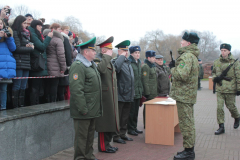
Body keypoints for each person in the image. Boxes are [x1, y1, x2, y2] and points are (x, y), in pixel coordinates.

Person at [69, 37, 102, 160]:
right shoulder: (78, 66)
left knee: (89, 136)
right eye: (93, 50)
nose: (95, 53)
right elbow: (77, 90)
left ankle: (89, 156)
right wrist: (83, 108)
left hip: (92, 109)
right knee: (81, 138)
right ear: (86, 52)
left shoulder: (91, 65)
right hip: (84, 109)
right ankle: (80, 158)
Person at [169, 32, 200, 160]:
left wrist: (172, 69)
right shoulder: (191, 55)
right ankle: (189, 149)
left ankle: (189, 152)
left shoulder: (186, 56)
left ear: (188, 43)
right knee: (189, 123)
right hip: (187, 96)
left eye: (182, 40)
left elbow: (181, 75)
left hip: (184, 96)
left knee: (186, 124)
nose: (181, 42)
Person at [94, 36, 119, 153]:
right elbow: (100, 70)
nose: (111, 51)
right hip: (104, 96)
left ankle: (108, 144)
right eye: (109, 49)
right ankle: (103, 146)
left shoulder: (108, 59)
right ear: (103, 50)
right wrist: (107, 57)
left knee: (110, 120)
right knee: (104, 122)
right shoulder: (98, 59)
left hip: (111, 94)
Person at [212, 43, 240, 135]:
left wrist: (239, 88)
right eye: (221, 51)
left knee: (231, 106)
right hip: (220, 89)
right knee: (219, 108)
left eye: (225, 51)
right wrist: (215, 78)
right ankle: (221, 127)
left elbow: (238, 76)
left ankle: (237, 117)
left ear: (229, 51)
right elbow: (214, 73)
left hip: (230, 89)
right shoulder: (217, 62)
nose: (223, 52)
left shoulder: (234, 62)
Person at [112, 40, 135, 144]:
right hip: (120, 94)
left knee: (125, 117)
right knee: (119, 117)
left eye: (127, 50)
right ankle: (116, 136)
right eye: (123, 50)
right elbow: (115, 68)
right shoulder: (116, 60)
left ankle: (122, 134)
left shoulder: (128, 62)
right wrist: (121, 56)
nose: (126, 52)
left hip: (128, 94)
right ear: (119, 51)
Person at [28, 20, 53, 105]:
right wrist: (48, 38)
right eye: (39, 26)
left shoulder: (37, 34)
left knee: (39, 87)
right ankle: (34, 104)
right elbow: (42, 47)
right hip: (36, 63)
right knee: (35, 87)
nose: (40, 28)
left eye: (41, 26)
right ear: (35, 26)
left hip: (39, 63)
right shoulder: (33, 34)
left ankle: (37, 103)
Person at [12, 15, 34, 108]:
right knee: (17, 85)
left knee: (23, 86)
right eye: (24, 23)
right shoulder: (16, 33)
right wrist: (29, 48)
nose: (26, 25)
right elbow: (16, 48)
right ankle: (15, 106)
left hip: (26, 62)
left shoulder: (27, 34)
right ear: (19, 23)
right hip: (19, 62)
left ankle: (21, 105)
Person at [43, 23, 66, 102]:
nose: (60, 31)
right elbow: (61, 55)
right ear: (55, 29)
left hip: (46, 64)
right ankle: (52, 103)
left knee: (47, 85)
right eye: (59, 29)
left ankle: (46, 102)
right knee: (54, 85)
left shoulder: (45, 38)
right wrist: (63, 67)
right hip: (56, 65)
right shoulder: (58, 40)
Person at [127, 46, 143, 136]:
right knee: (131, 111)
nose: (137, 54)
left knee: (136, 111)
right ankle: (130, 128)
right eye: (136, 53)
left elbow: (139, 78)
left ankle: (134, 127)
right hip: (132, 91)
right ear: (132, 53)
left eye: (138, 53)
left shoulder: (138, 62)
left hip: (138, 90)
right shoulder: (129, 62)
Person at [0, 18, 16, 111]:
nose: (0, 25)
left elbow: (13, 48)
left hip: (5, 66)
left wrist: (8, 38)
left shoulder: (7, 34)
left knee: (3, 89)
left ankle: (3, 108)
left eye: (1, 23)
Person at [141, 50, 157, 128]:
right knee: (147, 109)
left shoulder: (152, 65)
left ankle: (151, 123)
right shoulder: (145, 66)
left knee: (153, 109)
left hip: (154, 92)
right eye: (153, 57)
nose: (154, 58)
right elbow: (145, 80)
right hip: (149, 93)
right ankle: (146, 124)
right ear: (148, 57)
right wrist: (147, 93)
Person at [57, 25, 72, 101]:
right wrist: (69, 64)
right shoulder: (65, 39)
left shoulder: (61, 38)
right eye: (66, 30)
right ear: (62, 30)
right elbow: (68, 53)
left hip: (60, 63)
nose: (68, 32)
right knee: (64, 85)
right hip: (65, 64)